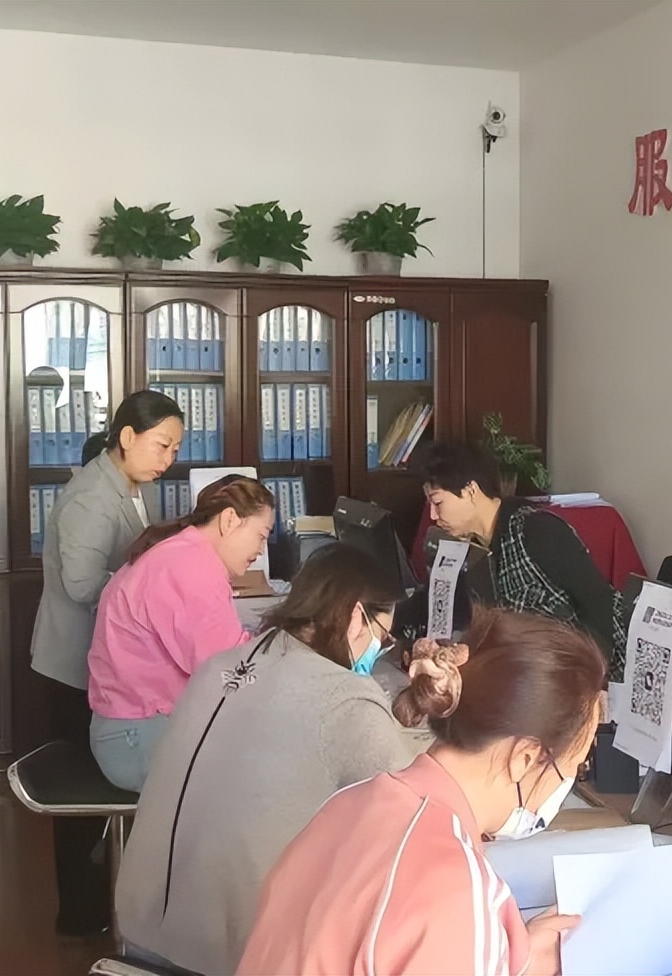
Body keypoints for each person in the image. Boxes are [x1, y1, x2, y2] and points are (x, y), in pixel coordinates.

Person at [113, 544, 431, 975]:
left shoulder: (219, 666)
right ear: (357, 616)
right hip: (229, 958)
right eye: (382, 637)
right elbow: (422, 809)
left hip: (138, 931)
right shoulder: (345, 698)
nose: (378, 650)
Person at [237, 609, 604, 976]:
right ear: (525, 758)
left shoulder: (351, 802)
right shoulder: (454, 887)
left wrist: (512, 961)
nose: (567, 783)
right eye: (575, 767)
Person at [28, 389, 183, 938]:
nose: (168, 459)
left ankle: (105, 904)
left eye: (175, 448)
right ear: (127, 437)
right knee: (81, 802)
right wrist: (150, 593)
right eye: (162, 445)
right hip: (75, 665)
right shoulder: (93, 497)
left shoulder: (129, 485)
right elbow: (81, 585)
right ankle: (79, 914)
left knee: (99, 793)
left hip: (106, 661)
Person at [88, 475, 273, 791]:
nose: (261, 549)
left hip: (135, 728)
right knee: (273, 768)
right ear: (230, 520)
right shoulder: (190, 566)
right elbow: (228, 671)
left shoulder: (182, 552)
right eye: (261, 535)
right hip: (137, 736)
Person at [409, 440, 624, 674]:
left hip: (574, 671)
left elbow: (599, 603)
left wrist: (593, 678)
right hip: (524, 669)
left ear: (470, 491)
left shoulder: (536, 529)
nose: (433, 515)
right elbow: (445, 601)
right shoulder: (470, 546)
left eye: (438, 502)